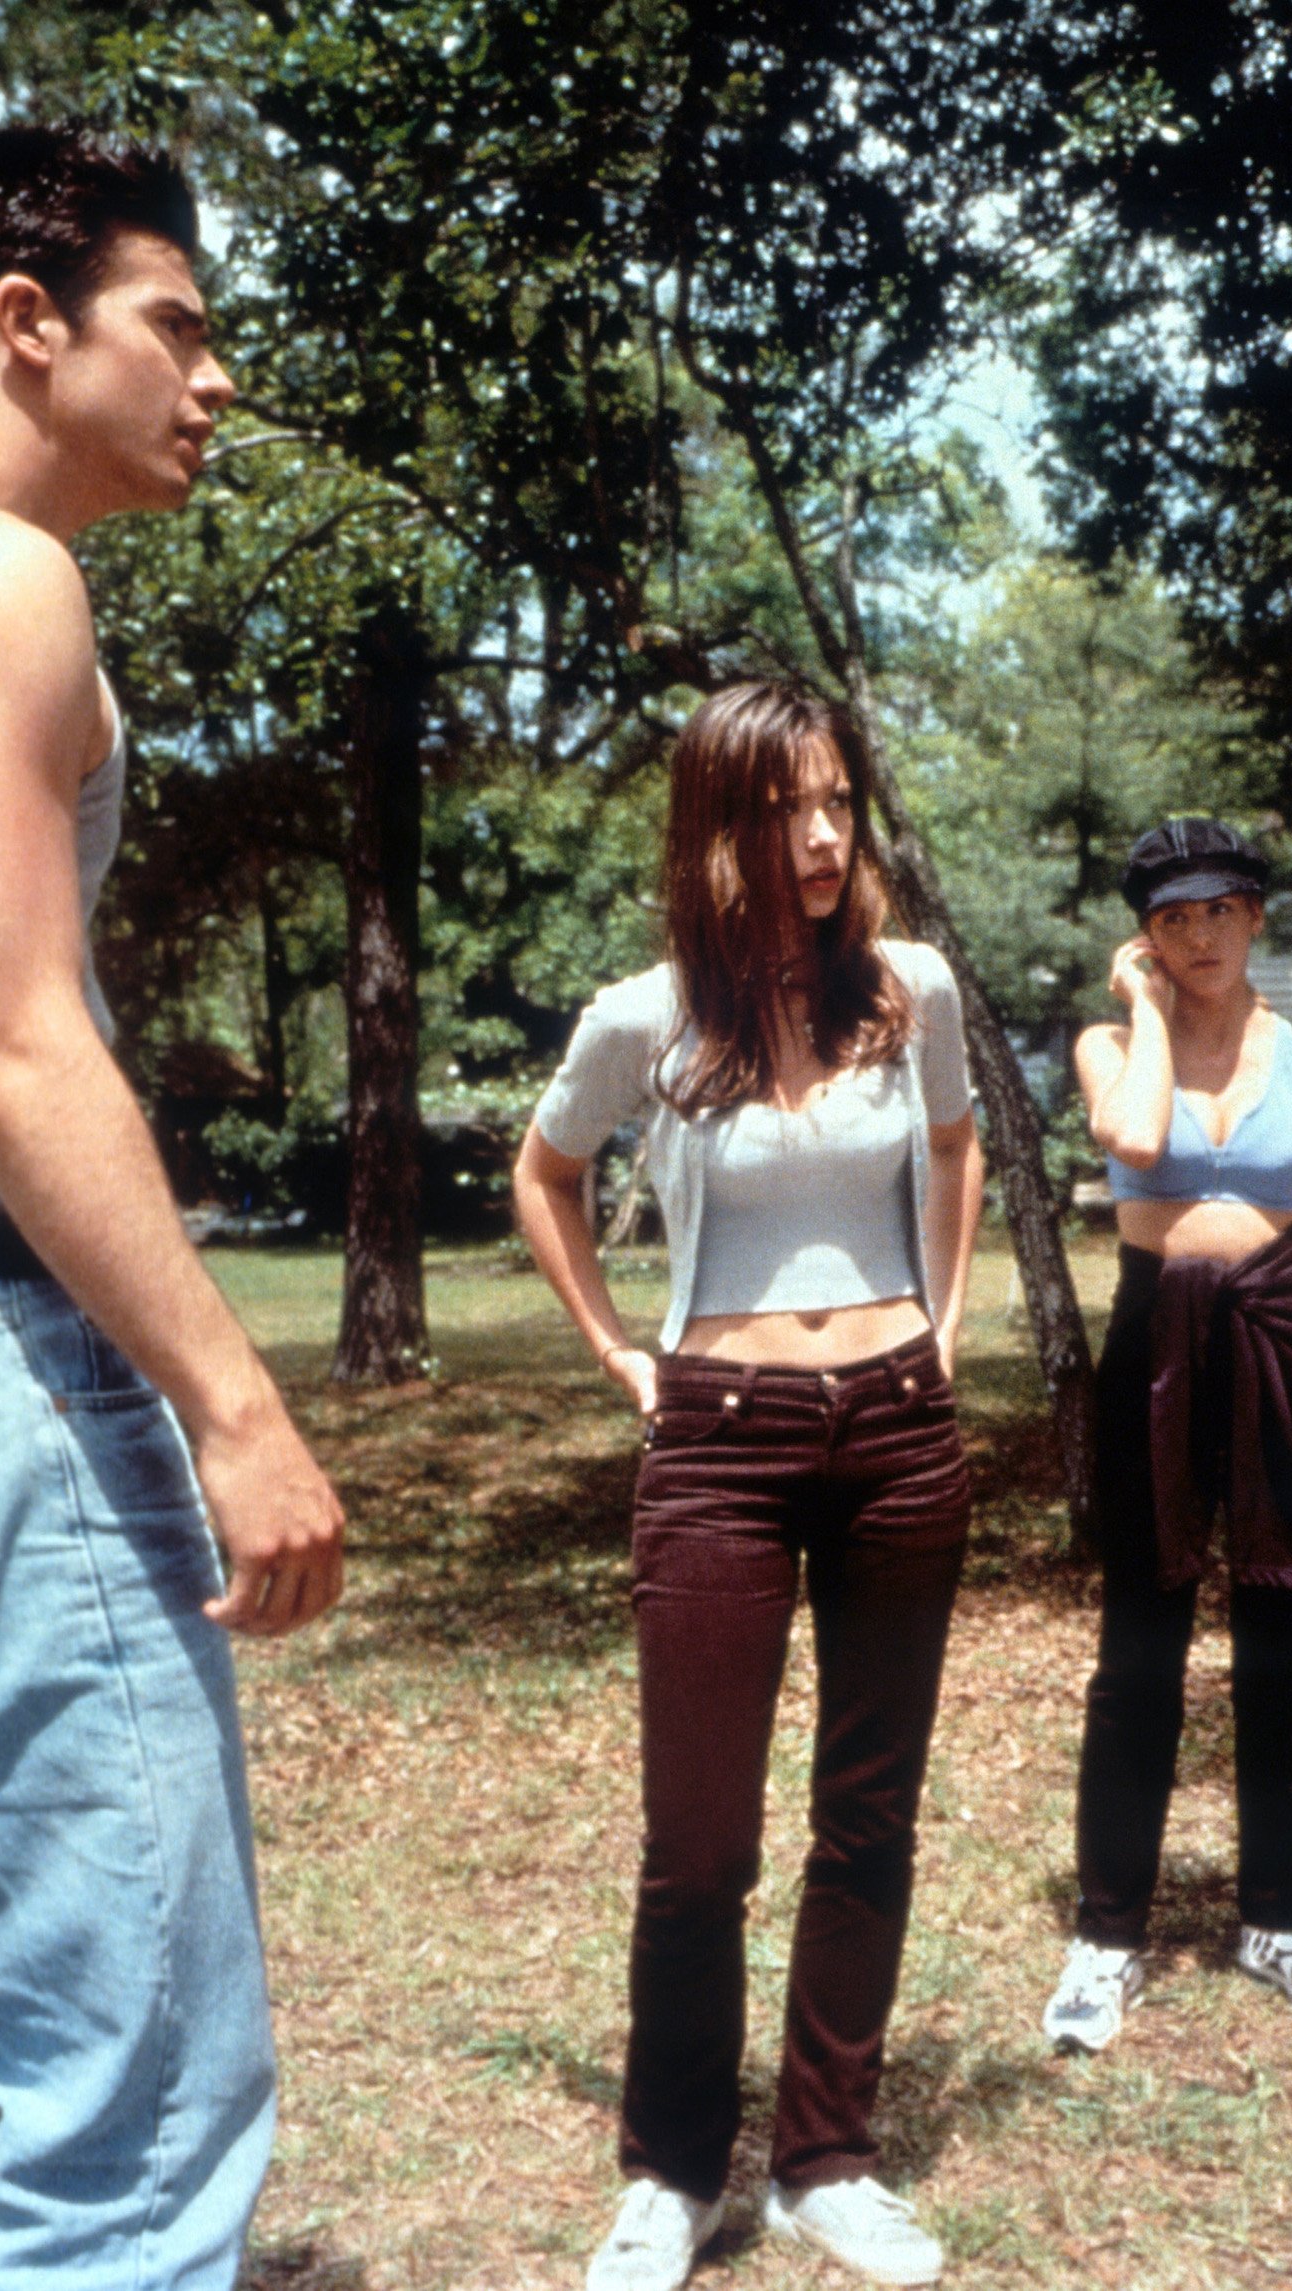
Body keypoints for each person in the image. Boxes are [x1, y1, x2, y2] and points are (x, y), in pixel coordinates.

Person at [0, 125, 345, 2285]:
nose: (214, 380)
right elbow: (1, 1040)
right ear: (26, 324)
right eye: (175, 326)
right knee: (119, 2126)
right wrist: (232, 1404)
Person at [514, 683, 983, 2291]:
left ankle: (828, 2158)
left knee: (869, 1809)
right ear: (714, 826)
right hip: (714, 1433)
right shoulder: (645, 1017)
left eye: (841, 799)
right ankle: (671, 2171)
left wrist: (948, 1319)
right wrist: (616, 1353)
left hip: (900, 1431)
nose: (826, 834)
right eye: (788, 805)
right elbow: (544, 1166)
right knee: (699, 1838)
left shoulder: (911, 988)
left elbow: (959, 1143)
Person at [1040, 818, 1292, 2053]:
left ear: (1256, 914)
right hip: (1156, 1336)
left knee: (1284, 1635)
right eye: (1171, 918)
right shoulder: (1105, 1044)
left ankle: (1281, 1914)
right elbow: (1132, 1142)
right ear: (1143, 934)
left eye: (1219, 910)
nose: (1199, 935)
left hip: (1282, 1332)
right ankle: (1107, 1930)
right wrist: (1140, 1006)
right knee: (1140, 1639)